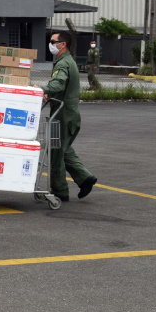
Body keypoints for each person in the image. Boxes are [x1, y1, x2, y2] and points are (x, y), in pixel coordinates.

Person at [41, 32, 97, 202]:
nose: (50, 44)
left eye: (53, 41)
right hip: (66, 113)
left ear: (62, 44)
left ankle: (60, 191)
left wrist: (44, 89)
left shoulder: (64, 63)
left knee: (57, 152)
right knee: (63, 149)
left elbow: (58, 83)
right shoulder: (65, 61)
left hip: (64, 115)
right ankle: (85, 178)